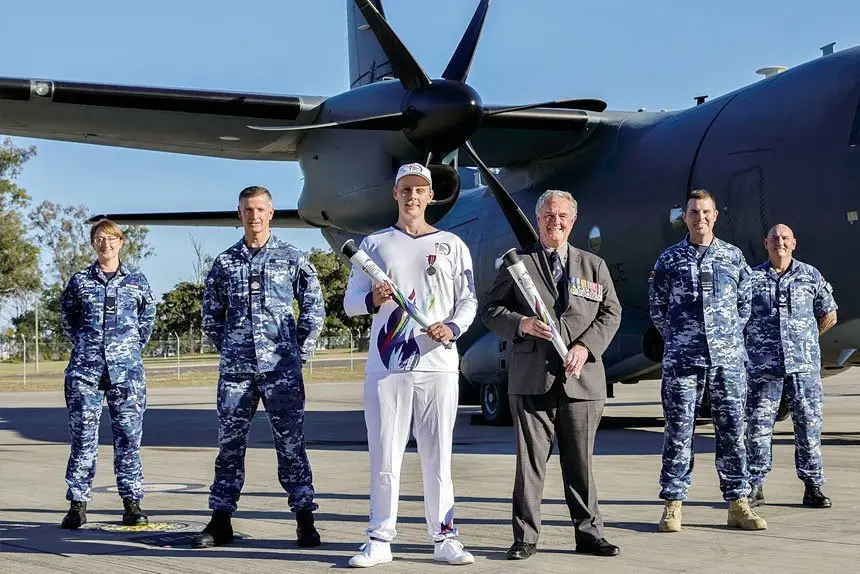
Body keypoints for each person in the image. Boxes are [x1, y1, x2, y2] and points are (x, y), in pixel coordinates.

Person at [343, 163, 478, 567]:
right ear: (395, 194)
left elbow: (469, 300)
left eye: (420, 190)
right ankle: (380, 537)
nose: (412, 196)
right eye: (405, 189)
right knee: (385, 455)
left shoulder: (454, 244)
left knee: (439, 456)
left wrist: (451, 327)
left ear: (430, 195)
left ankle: (444, 537)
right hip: (388, 369)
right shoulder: (373, 245)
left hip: (437, 364)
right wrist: (375, 300)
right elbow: (351, 303)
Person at [481, 189, 622, 560]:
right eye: (548, 215)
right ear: (538, 219)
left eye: (562, 216)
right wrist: (522, 324)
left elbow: (611, 313)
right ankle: (525, 538)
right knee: (530, 466)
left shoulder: (594, 265)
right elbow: (491, 311)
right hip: (531, 379)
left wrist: (585, 347)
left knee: (581, 464)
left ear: (572, 221)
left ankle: (589, 534)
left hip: (582, 379)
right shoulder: (517, 265)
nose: (555, 222)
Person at [192, 185, 325, 549]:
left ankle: (304, 520)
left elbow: (314, 308)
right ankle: (221, 521)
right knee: (230, 447)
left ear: (271, 213)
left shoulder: (291, 256)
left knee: (291, 445)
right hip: (236, 374)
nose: (254, 216)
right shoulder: (224, 263)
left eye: (260, 209)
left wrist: (298, 352)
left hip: (281, 372)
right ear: (240, 215)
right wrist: (232, 351)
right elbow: (211, 317)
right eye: (247, 210)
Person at [648, 189, 766, 533]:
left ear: (716, 216)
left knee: (732, 432)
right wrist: (682, 337)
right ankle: (673, 504)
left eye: (706, 212)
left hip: (727, 361)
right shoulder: (669, 260)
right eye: (694, 212)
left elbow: (745, 305)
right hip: (683, 361)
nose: (700, 218)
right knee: (679, 431)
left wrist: (725, 337)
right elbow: (658, 308)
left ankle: (738, 503)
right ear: (684, 217)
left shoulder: (732, 257)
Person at [59, 219, 156, 529]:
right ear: (93, 243)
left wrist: (124, 350)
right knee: (83, 439)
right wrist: (89, 348)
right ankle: (77, 504)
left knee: (129, 438)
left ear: (121, 242)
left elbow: (147, 322)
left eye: (111, 239)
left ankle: (132, 503)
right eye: (100, 239)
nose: (106, 244)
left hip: (126, 373)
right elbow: (69, 319)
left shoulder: (137, 282)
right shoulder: (79, 282)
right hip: (85, 372)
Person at [745, 224, 838, 509]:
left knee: (808, 427)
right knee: (758, 427)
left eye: (785, 238)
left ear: (794, 243)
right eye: (775, 239)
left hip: (803, 369)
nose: (780, 243)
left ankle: (813, 487)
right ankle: (755, 486)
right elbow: (738, 317)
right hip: (764, 369)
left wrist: (805, 338)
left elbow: (829, 314)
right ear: (766, 243)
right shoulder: (751, 279)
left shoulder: (810, 275)